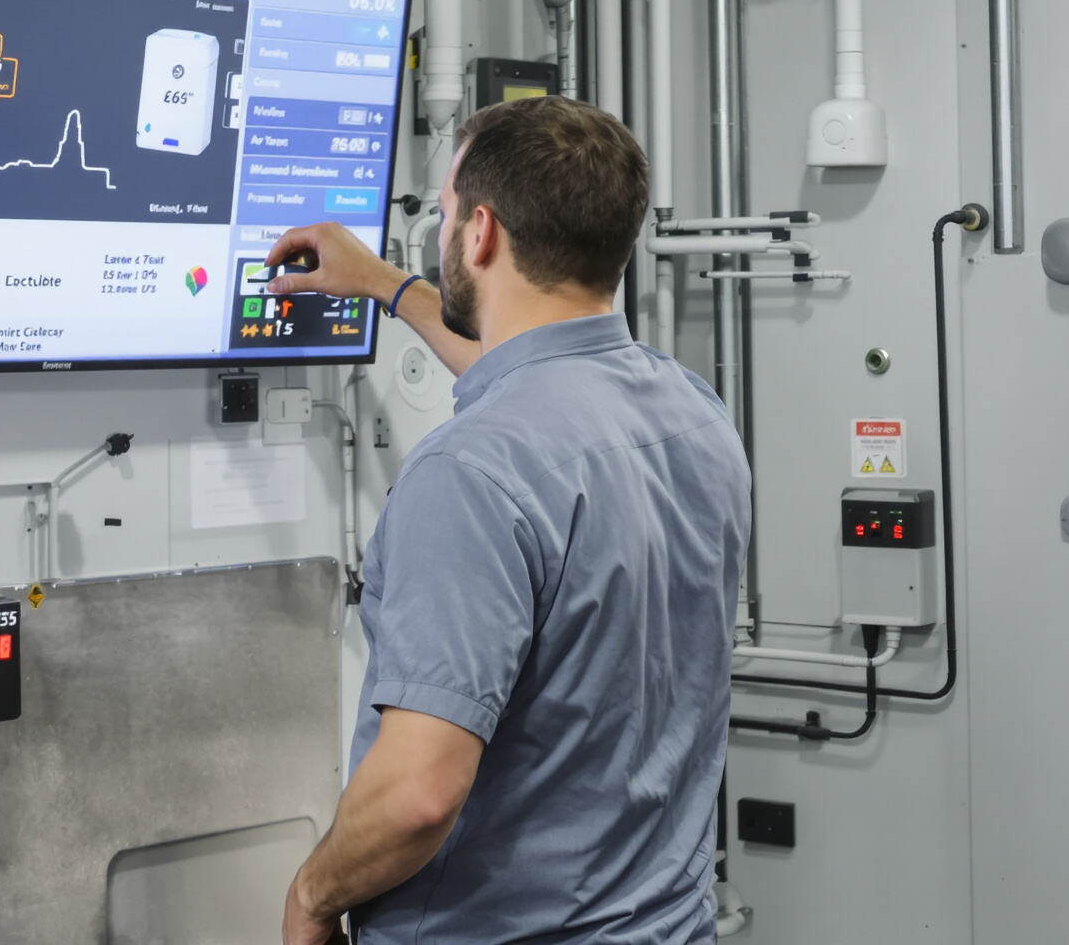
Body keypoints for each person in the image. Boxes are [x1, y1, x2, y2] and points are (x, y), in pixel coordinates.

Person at [269, 95, 750, 945]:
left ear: (481, 233)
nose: (444, 230)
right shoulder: (693, 412)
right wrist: (387, 286)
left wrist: (314, 894)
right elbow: (532, 373)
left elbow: (419, 796)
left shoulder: (469, 473)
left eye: (446, 214)